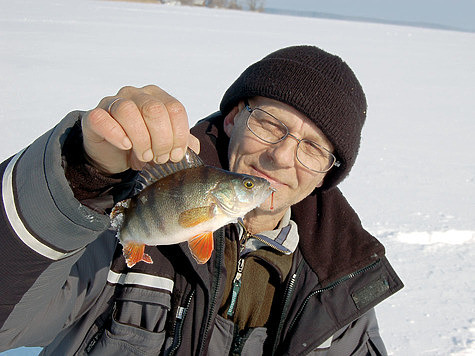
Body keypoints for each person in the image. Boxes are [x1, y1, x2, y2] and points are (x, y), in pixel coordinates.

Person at [0, 45, 403, 355]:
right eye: (269, 123)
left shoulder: (340, 284)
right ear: (233, 119)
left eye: (313, 148)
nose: (280, 156)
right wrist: (81, 176)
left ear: (326, 174)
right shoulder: (120, 204)